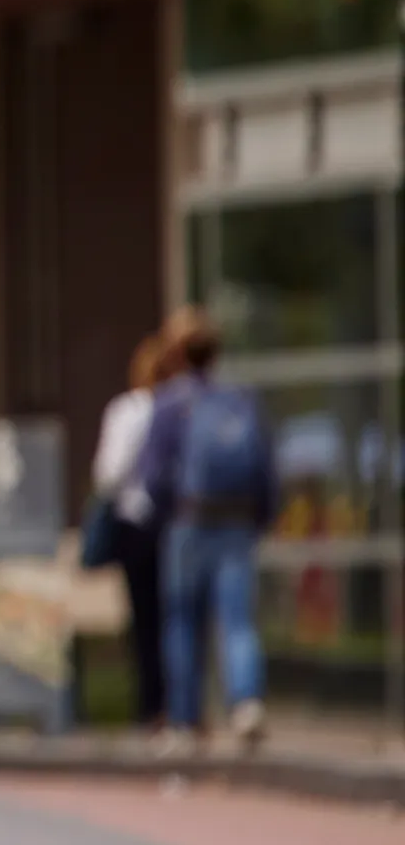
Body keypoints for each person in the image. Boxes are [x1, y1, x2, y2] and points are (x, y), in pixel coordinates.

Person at [134, 312, 277, 753]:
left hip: (188, 523)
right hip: (235, 524)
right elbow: (266, 469)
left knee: (182, 622)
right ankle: (246, 702)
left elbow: (151, 476)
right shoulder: (240, 400)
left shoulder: (169, 404)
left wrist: (169, 517)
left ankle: (184, 719)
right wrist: (259, 519)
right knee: (238, 621)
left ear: (175, 353)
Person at [82, 318, 181, 728]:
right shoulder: (181, 408)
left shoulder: (129, 411)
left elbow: (109, 473)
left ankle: (150, 706)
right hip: (176, 522)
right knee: (177, 616)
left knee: (144, 619)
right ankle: (181, 704)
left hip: (136, 522)